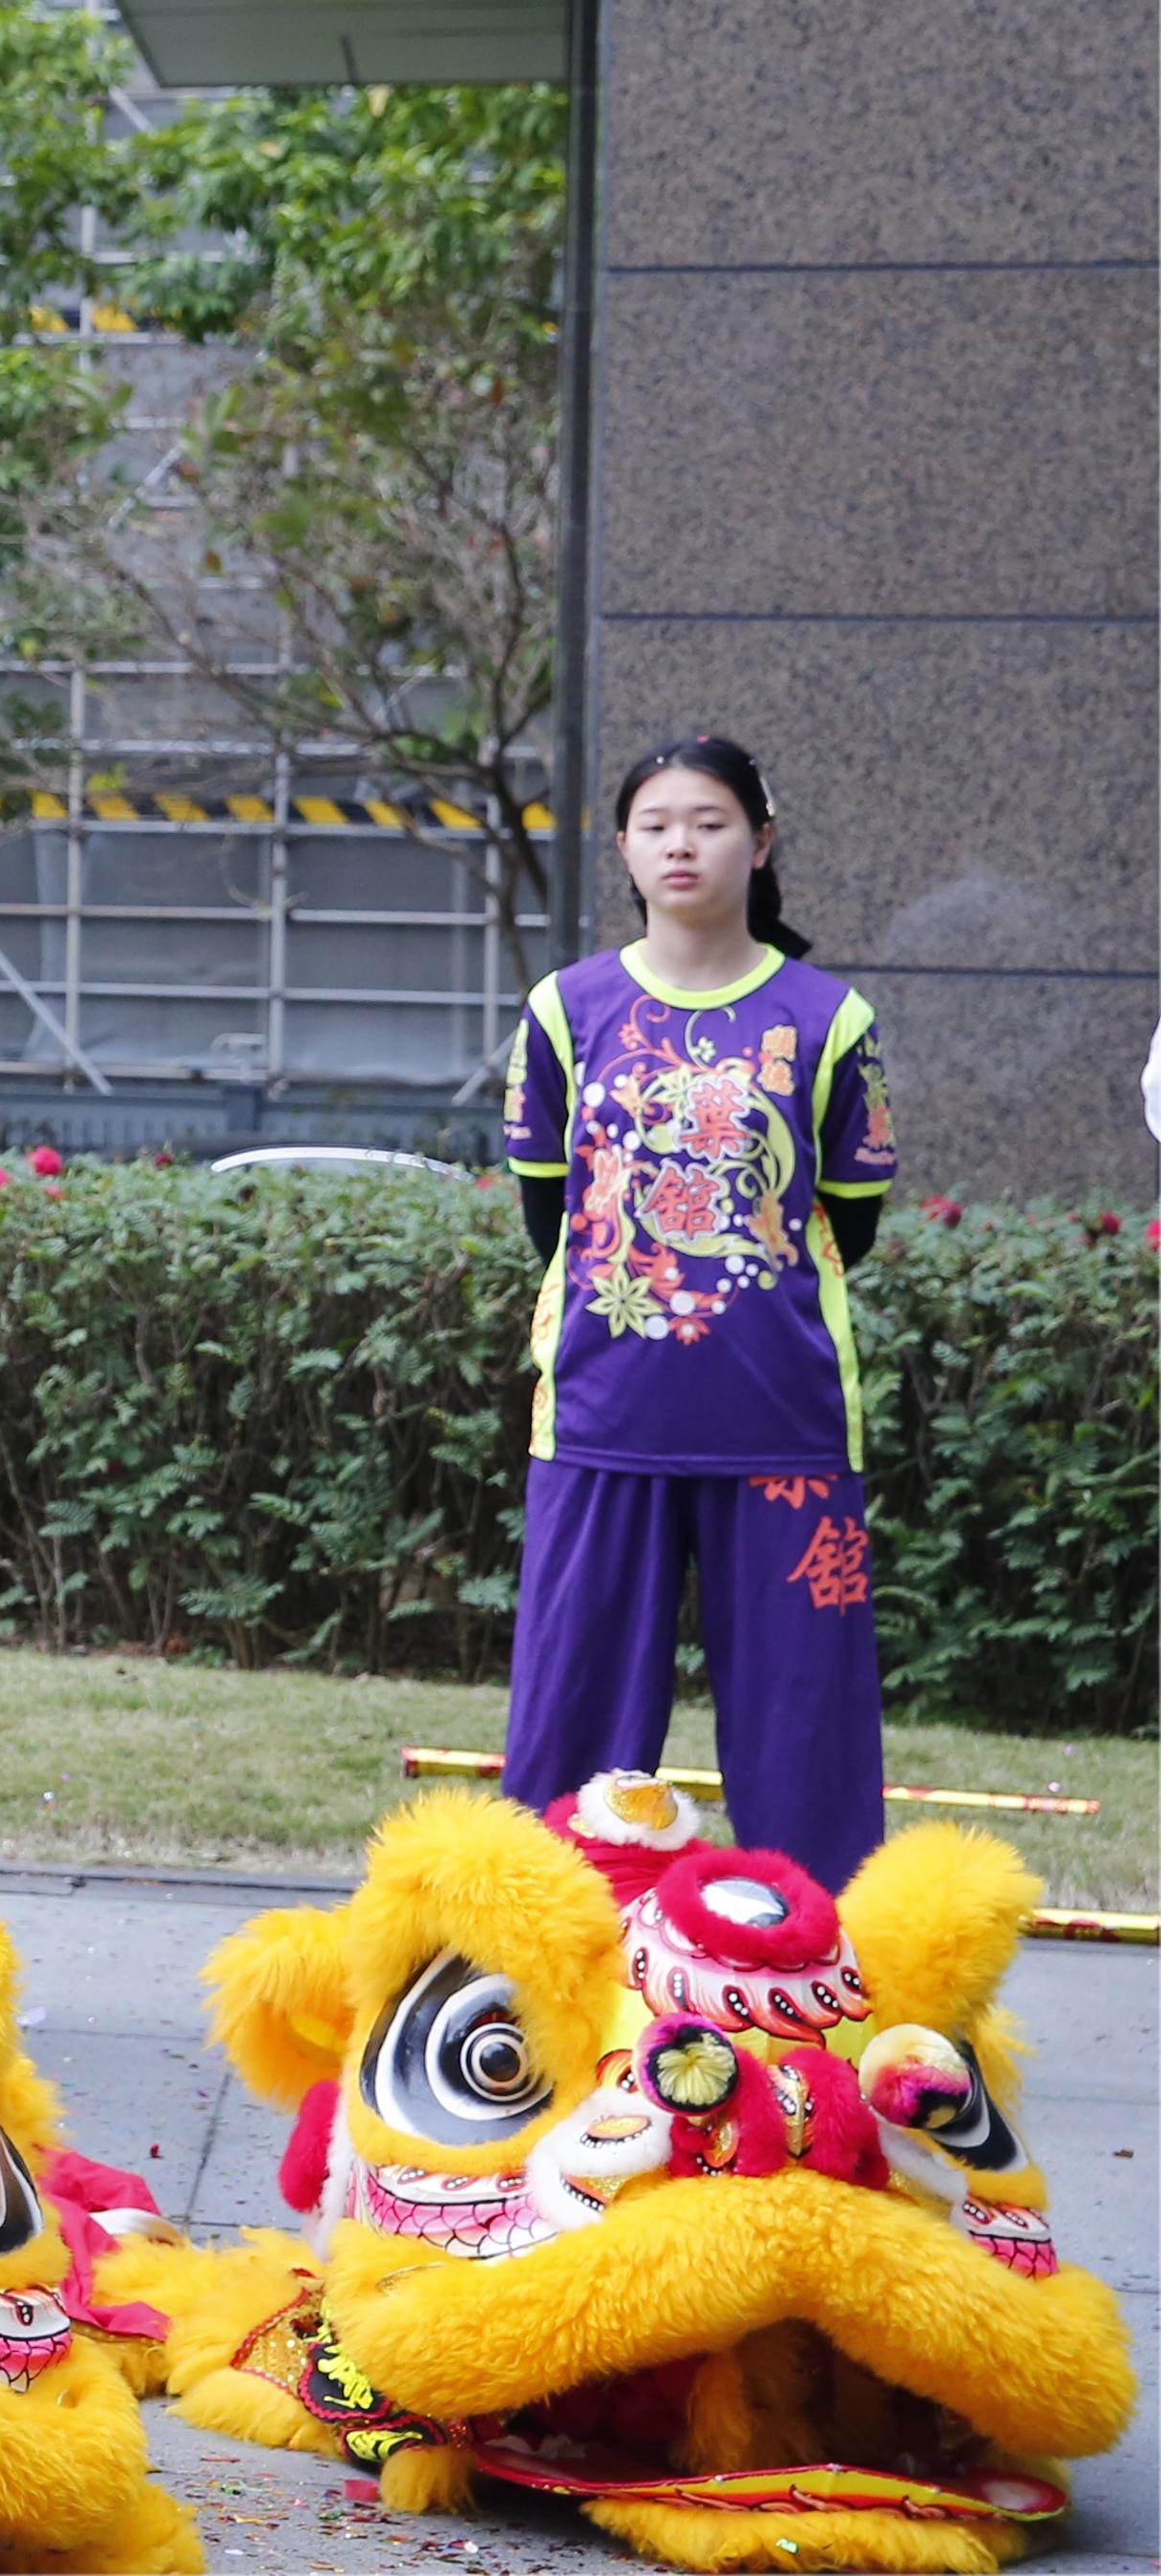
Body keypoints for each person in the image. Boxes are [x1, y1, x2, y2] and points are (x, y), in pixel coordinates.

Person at [496, 734, 897, 1883]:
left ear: (759, 843)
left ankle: (818, 1961)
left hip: (783, 1425)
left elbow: (848, 1219)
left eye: (709, 821)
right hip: (599, 1419)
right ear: (622, 848)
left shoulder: (829, 1018)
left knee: (804, 1730)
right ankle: (549, 1959)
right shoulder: (564, 1008)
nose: (681, 843)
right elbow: (547, 1211)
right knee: (570, 1727)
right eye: (656, 822)